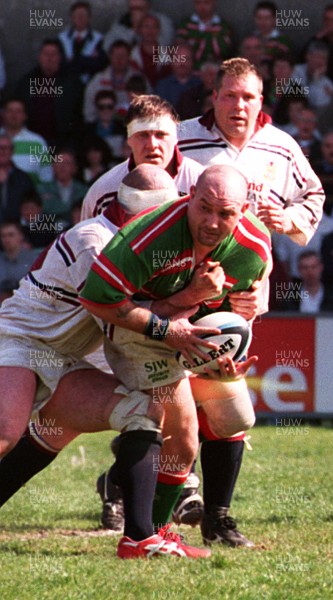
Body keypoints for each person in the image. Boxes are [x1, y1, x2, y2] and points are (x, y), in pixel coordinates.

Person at [0, 165, 218, 559]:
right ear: (147, 215)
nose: (174, 223)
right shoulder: (95, 242)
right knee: (6, 431)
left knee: (142, 413)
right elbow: (121, 315)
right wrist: (188, 301)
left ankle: (138, 540)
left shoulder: (142, 245)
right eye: (167, 214)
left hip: (69, 355)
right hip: (19, 341)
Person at [80, 164, 271, 556]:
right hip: (136, 331)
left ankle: (141, 486)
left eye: (226, 214)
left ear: (244, 210)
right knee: (183, 436)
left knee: (235, 417)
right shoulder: (148, 237)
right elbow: (97, 299)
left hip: (188, 333)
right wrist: (170, 328)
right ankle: (152, 535)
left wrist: (225, 355)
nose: (213, 222)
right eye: (205, 207)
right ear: (190, 196)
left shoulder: (252, 248)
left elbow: (234, 310)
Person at [177, 56, 325, 545]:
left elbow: (314, 194)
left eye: (250, 97)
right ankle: (141, 486)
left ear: (261, 102)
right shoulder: (180, 139)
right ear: (213, 97)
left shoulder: (280, 146)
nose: (240, 105)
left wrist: (289, 221)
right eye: (231, 95)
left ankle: (216, 516)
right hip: (176, 287)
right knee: (167, 396)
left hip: (242, 296)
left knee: (224, 397)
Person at [80, 94, 204, 220]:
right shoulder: (103, 192)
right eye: (143, 135)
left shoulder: (200, 183)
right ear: (129, 140)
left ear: (176, 138)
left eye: (161, 135)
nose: (152, 145)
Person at [14, 39, 82, 147]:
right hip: (31, 143)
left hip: (63, 144)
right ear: (39, 57)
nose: (49, 58)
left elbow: (78, 119)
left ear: (60, 57)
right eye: (46, 54)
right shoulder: (26, 82)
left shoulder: (72, 84)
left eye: (53, 54)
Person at [83, 39, 145, 123]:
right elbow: (89, 113)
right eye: (116, 55)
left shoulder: (139, 78)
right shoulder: (98, 80)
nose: (119, 59)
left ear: (129, 57)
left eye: (123, 55)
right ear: (110, 56)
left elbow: (149, 106)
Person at [0, 98, 53, 185]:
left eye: (18, 111)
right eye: (10, 111)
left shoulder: (37, 142)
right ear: (3, 114)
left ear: (25, 115)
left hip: (29, 194)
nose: (14, 115)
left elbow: (46, 173)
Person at [58, 0, 107, 85]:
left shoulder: (98, 39)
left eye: (83, 15)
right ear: (72, 18)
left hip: (89, 84)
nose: (80, 19)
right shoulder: (62, 38)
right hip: (66, 83)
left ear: (89, 18)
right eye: (77, 16)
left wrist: (74, 62)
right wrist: (87, 60)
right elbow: (60, 63)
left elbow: (99, 64)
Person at [37, 149, 88, 228]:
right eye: (59, 162)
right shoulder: (42, 189)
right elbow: (45, 210)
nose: (62, 167)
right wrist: (71, 211)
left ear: (74, 168)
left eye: (67, 163)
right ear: (53, 166)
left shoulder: (84, 190)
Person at [176, 0, 233, 70]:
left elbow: (225, 51)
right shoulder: (185, 25)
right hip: (191, 70)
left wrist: (198, 40)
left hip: (216, 69)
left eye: (207, 3)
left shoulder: (223, 26)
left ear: (214, 2)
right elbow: (180, 49)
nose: (202, 7)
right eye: (198, 3)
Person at [103, 0, 174, 52]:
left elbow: (168, 45)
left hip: (157, 65)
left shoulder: (163, 21)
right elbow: (107, 47)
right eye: (134, 8)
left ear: (148, 4)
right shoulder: (121, 23)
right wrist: (134, 29)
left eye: (140, 8)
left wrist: (146, 28)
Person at [0, 221, 39, 303]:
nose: (7, 239)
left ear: (20, 236)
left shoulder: (34, 260)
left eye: (11, 235)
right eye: (3, 236)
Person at [154, 44, 202, 111]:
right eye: (178, 58)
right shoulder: (162, 86)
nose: (182, 63)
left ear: (192, 62)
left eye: (187, 58)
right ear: (171, 61)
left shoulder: (200, 84)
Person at [0, 134, 35, 224]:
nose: (2, 151)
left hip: (17, 229)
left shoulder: (23, 178)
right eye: (0, 147)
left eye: (6, 148)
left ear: (12, 151)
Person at [291, 41, 333, 110]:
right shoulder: (294, 71)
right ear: (307, 56)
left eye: (323, 58)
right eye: (317, 57)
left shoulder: (327, 83)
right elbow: (297, 96)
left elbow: (318, 103)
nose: (320, 61)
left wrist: (316, 79)